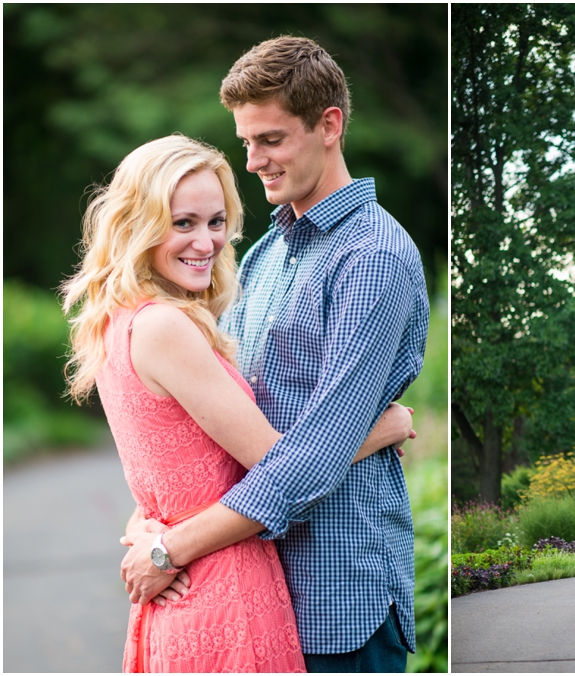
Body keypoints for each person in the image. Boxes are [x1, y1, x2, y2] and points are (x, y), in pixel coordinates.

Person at [118, 36, 430, 673]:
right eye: (247, 142)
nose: (255, 160)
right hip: (247, 591)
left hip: (334, 597)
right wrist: (148, 524)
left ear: (329, 126)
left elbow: (309, 461)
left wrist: (169, 549)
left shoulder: (370, 259)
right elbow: (206, 437)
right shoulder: (265, 256)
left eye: (272, 140)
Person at [61, 135, 415, 671]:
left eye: (216, 221)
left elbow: (170, 472)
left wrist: (150, 532)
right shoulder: (165, 327)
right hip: (223, 593)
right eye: (182, 223)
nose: (206, 242)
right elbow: (277, 461)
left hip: (194, 589)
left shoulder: (124, 319)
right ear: (138, 223)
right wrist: (385, 428)